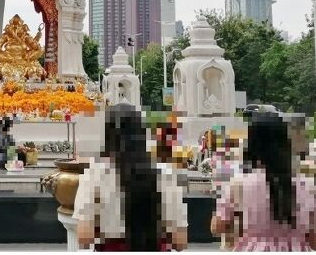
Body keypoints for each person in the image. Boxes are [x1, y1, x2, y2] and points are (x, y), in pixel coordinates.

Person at [73, 103, 188, 251]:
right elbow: (180, 241)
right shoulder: (165, 173)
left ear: (107, 134)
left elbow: (84, 236)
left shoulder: (95, 173)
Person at [211, 113, 316, 251]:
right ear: (286, 142)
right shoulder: (307, 185)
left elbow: (217, 227)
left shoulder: (240, 184)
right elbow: (313, 237)